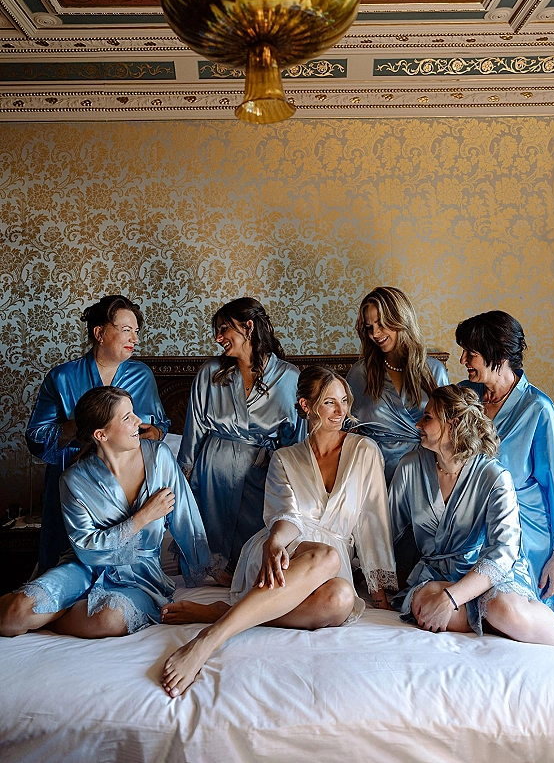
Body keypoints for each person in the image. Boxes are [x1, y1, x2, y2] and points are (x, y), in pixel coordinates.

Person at [160, 365, 397, 697]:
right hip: (282, 553)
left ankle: (227, 613)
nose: (341, 411)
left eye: (344, 401)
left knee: (341, 599)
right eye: (330, 402)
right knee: (325, 555)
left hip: (330, 563)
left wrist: (379, 591)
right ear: (305, 405)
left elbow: (374, 521)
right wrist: (274, 542)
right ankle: (210, 638)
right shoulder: (285, 457)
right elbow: (284, 513)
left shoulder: (365, 451)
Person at [0, 386, 209, 638]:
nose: (138, 422)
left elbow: (187, 518)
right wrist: (142, 517)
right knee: (12, 617)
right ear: (101, 434)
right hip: (82, 567)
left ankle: (46, 620)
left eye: (133, 413)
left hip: (140, 576)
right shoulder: (73, 480)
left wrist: (206, 568)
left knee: (109, 619)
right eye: (127, 417)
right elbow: (85, 547)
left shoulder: (160, 457)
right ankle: (36, 612)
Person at [389, 384, 554, 660]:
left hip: (489, 574)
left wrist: (452, 599)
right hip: (436, 575)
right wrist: (373, 580)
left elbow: (504, 552)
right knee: (424, 603)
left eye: (427, 418)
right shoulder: (409, 468)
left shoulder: (494, 476)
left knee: (504, 608)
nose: (418, 424)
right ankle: (514, 624)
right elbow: (389, 532)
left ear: (453, 423)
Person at [26, 295, 170, 572]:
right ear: (100, 333)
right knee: (64, 560)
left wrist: (157, 433)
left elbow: (160, 423)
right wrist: (81, 425)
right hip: (73, 476)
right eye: (126, 330)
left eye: (137, 332)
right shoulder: (62, 378)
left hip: (125, 481)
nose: (135, 339)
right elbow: (37, 437)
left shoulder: (142, 375)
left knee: (119, 558)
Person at [455, 310, 554, 621]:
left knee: (522, 623)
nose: (462, 360)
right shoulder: (464, 396)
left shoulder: (538, 409)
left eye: (471, 352)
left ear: (497, 354)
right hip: (472, 525)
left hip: (526, 532)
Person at [177, 297, 306, 580]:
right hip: (212, 473)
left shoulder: (289, 378)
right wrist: (182, 479)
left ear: (248, 327)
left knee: (251, 550)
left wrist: (291, 488)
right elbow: (194, 429)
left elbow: (295, 442)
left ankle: (246, 580)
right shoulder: (211, 373)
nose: (218, 337)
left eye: (224, 329)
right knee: (211, 545)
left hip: (261, 475)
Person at [347, 286, 449, 486]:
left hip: (425, 471)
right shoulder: (360, 374)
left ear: (401, 319)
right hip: (374, 474)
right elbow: (345, 429)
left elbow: (448, 429)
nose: (375, 334)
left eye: (381, 324)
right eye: (369, 327)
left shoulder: (434, 371)